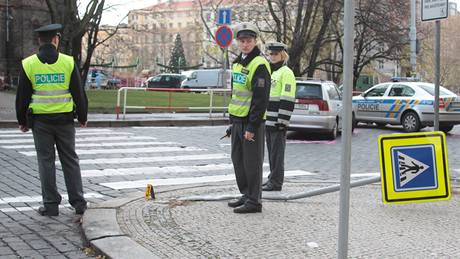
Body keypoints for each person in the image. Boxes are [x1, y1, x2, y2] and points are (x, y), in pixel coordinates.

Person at [15, 23, 88, 216]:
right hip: (64, 121)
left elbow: (22, 95)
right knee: (70, 160)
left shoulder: (28, 63)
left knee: (46, 162)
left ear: (40, 40)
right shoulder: (68, 62)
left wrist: (21, 120)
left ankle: (51, 205)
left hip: (41, 122)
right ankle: (78, 203)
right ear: (56, 39)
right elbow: (78, 93)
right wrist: (82, 116)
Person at [226, 22, 271, 213]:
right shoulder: (237, 63)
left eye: (249, 41)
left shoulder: (259, 64)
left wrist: (252, 126)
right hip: (238, 120)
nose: (245, 44)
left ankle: (254, 201)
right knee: (238, 160)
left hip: (251, 122)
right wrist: (232, 123)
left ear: (255, 41)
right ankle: (246, 194)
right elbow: (237, 94)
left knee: (252, 163)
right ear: (237, 42)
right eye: (242, 41)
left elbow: (260, 99)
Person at [262, 42, 297, 191]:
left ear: (282, 55)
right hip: (268, 120)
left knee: (277, 154)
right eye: (271, 54)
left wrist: (282, 121)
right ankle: (272, 178)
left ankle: (276, 182)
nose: (272, 56)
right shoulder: (272, 72)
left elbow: (287, 97)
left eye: (275, 54)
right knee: (272, 153)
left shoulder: (286, 72)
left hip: (277, 121)